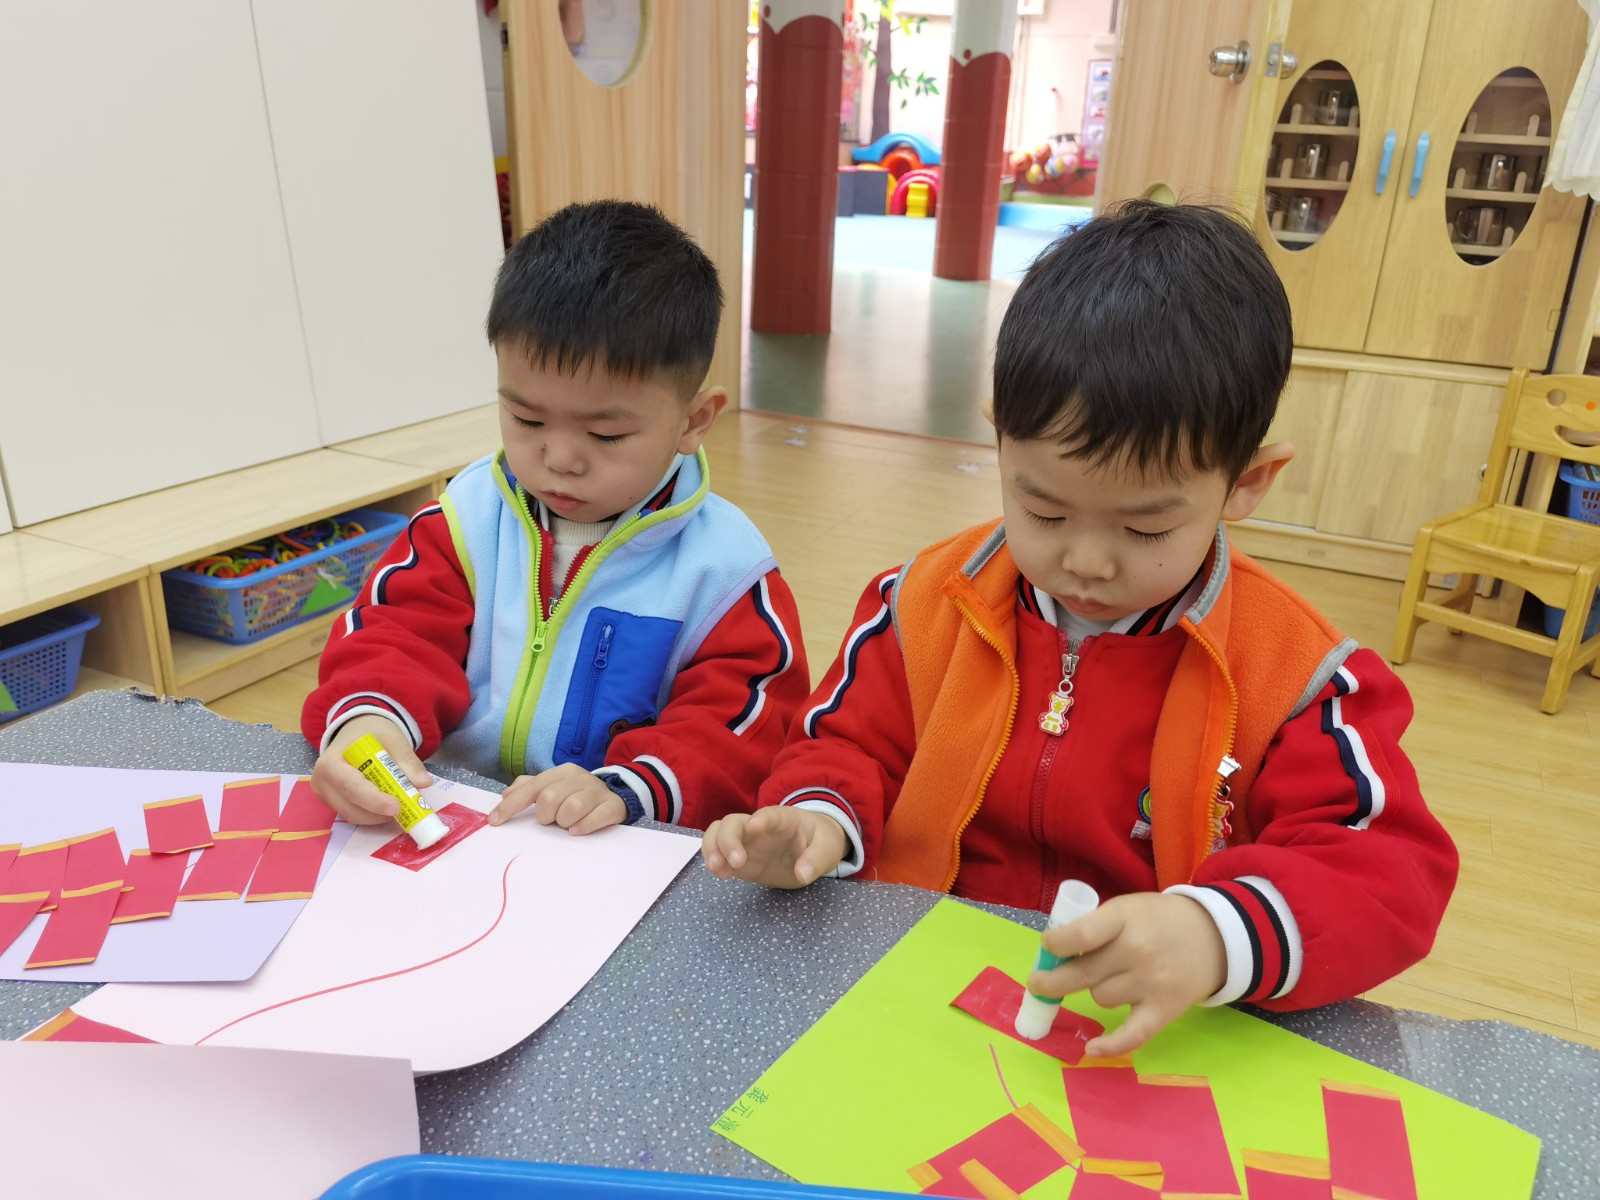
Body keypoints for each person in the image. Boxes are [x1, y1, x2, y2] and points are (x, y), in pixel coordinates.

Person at [702, 201, 1458, 1057]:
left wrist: (1217, 932)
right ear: (1001, 443)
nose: (1086, 563)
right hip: (921, 991)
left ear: (1246, 484)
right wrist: (817, 820)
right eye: (1044, 510)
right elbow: (844, 745)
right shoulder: (920, 604)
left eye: (1144, 527)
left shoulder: (1301, 676)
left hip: (1144, 1029)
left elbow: (1388, 869)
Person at [305, 199, 807, 837]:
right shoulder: (466, 520)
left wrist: (630, 785)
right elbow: (394, 632)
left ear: (694, 420)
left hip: (612, 839)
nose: (560, 459)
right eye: (527, 419)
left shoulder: (726, 571)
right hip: (455, 815)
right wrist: (370, 721)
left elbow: (743, 727)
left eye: (606, 434)